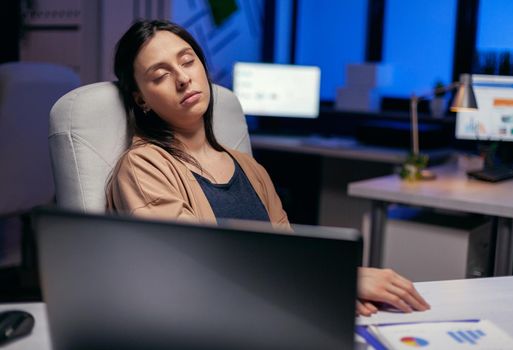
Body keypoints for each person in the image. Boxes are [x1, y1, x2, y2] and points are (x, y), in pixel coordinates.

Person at [106, 19, 430, 317]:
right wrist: (333, 277)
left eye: (188, 61)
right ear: (141, 99)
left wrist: (330, 290)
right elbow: (194, 268)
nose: (182, 78)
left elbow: (288, 252)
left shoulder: (249, 167)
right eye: (160, 76)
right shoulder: (142, 165)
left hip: (272, 316)